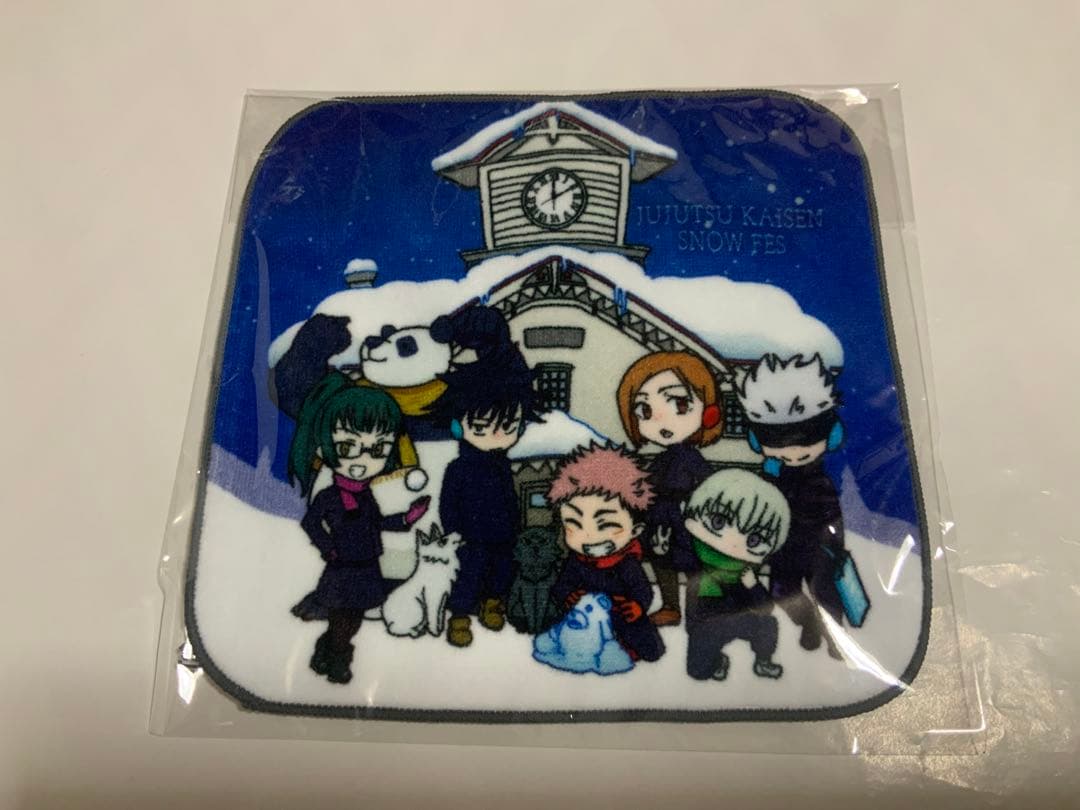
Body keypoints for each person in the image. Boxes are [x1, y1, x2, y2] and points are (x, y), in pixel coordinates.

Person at [288, 373, 429, 683]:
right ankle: (337, 661)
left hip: (366, 566)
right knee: (343, 619)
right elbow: (310, 523)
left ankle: (325, 654)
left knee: (353, 620)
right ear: (324, 447)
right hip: (343, 568)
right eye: (348, 447)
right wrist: (329, 549)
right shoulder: (329, 496)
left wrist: (406, 518)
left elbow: (376, 523)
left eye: (377, 450)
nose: (363, 460)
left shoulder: (365, 495)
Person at [432, 322, 542, 647]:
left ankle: (493, 603)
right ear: (458, 425)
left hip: (503, 533)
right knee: (468, 574)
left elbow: (511, 497)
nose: (496, 434)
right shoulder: (459, 467)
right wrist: (454, 531)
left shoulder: (502, 465)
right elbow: (448, 503)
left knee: (502, 570)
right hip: (470, 536)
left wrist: (515, 525)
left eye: (508, 425)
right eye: (481, 426)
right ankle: (460, 615)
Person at [737, 353, 847, 657]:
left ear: (831, 435)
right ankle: (809, 623)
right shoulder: (772, 477)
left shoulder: (820, 482)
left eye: (808, 438)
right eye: (778, 442)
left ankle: (836, 639)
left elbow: (833, 517)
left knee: (825, 592)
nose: (793, 451)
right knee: (782, 592)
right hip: (784, 550)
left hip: (818, 547)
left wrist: (834, 547)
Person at [616, 351, 724, 626]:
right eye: (644, 410)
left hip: (686, 519)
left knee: (693, 565)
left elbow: (709, 488)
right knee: (662, 563)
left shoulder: (693, 460)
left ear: (708, 411)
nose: (660, 419)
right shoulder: (659, 461)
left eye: (680, 403)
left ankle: (699, 610)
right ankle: (671, 607)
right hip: (659, 520)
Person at [547, 444, 665, 662]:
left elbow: (642, 589)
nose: (589, 536)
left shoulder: (627, 563)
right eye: (574, 523)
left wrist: (637, 606)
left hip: (620, 613)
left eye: (605, 524)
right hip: (586, 617)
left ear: (635, 530)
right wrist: (568, 596)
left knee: (649, 647)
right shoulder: (576, 560)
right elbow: (562, 584)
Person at [682, 469, 790, 681]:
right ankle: (717, 660)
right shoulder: (693, 555)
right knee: (698, 673)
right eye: (718, 522)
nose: (733, 542)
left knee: (767, 624)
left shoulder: (747, 570)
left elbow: (766, 607)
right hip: (706, 625)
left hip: (737, 618)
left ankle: (763, 660)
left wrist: (752, 586)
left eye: (754, 540)